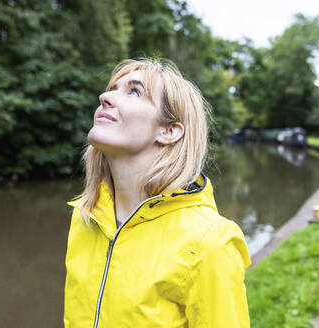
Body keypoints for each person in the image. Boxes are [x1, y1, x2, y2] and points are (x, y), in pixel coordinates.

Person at [64, 58, 251, 327]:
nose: (105, 96)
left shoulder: (209, 242)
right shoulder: (85, 215)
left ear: (169, 131)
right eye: (112, 88)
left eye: (134, 91)